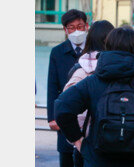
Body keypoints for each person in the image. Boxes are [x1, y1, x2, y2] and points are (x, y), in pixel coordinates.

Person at [54, 27, 134, 167]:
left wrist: (79, 142)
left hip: (98, 159)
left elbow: (62, 107)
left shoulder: (92, 82)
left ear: (107, 49)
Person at [63, 20, 114, 167]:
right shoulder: (116, 67)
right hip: (111, 138)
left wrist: (76, 139)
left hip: (86, 139)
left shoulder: (81, 67)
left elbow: (64, 108)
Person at [47, 9, 89, 167]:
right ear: (65, 30)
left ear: (87, 26)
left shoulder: (94, 50)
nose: (76, 31)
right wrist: (52, 116)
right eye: (71, 27)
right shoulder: (57, 52)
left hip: (88, 115)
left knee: (88, 156)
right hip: (65, 114)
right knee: (66, 156)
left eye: (80, 26)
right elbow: (52, 85)